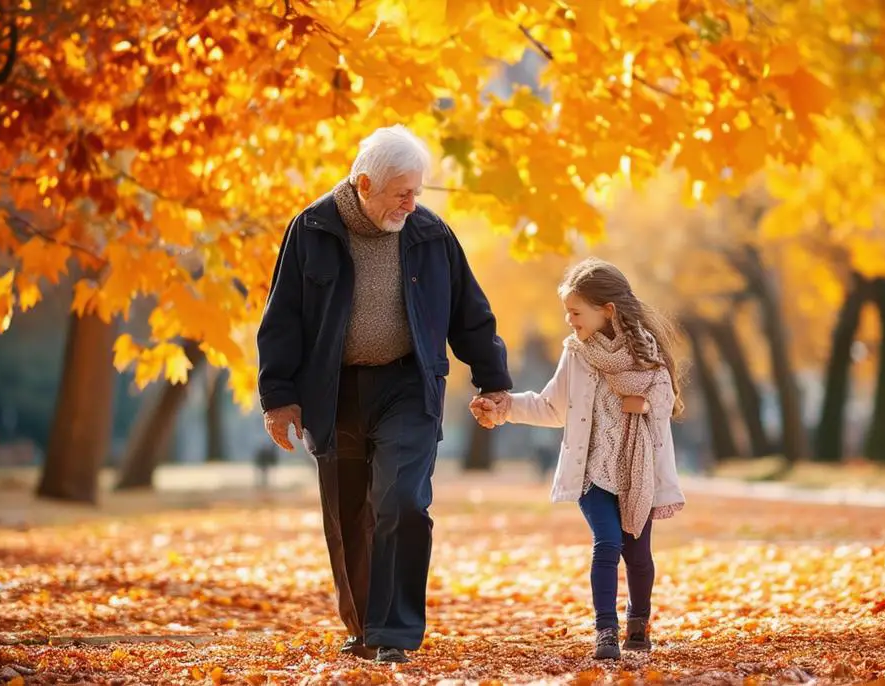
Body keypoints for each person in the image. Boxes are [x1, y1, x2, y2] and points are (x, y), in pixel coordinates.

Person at [256, 125, 512, 664]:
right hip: (335, 389)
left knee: (403, 501)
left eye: (417, 191)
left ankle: (393, 633)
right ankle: (365, 627)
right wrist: (279, 398)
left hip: (408, 385)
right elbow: (282, 319)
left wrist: (493, 380)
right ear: (364, 183)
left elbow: (470, 310)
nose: (411, 203)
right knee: (350, 511)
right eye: (402, 192)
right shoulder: (313, 228)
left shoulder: (429, 233)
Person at [470, 257, 686, 660]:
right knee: (606, 545)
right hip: (592, 474)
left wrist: (638, 402)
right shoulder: (576, 355)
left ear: (607, 311)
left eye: (575, 312)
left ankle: (639, 622)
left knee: (638, 558)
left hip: (636, 473)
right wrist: (503, 407)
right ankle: (605, 630)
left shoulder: (646, 352)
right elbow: (551, 406)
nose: (569, 321)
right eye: (567, 312)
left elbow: (664, 399)